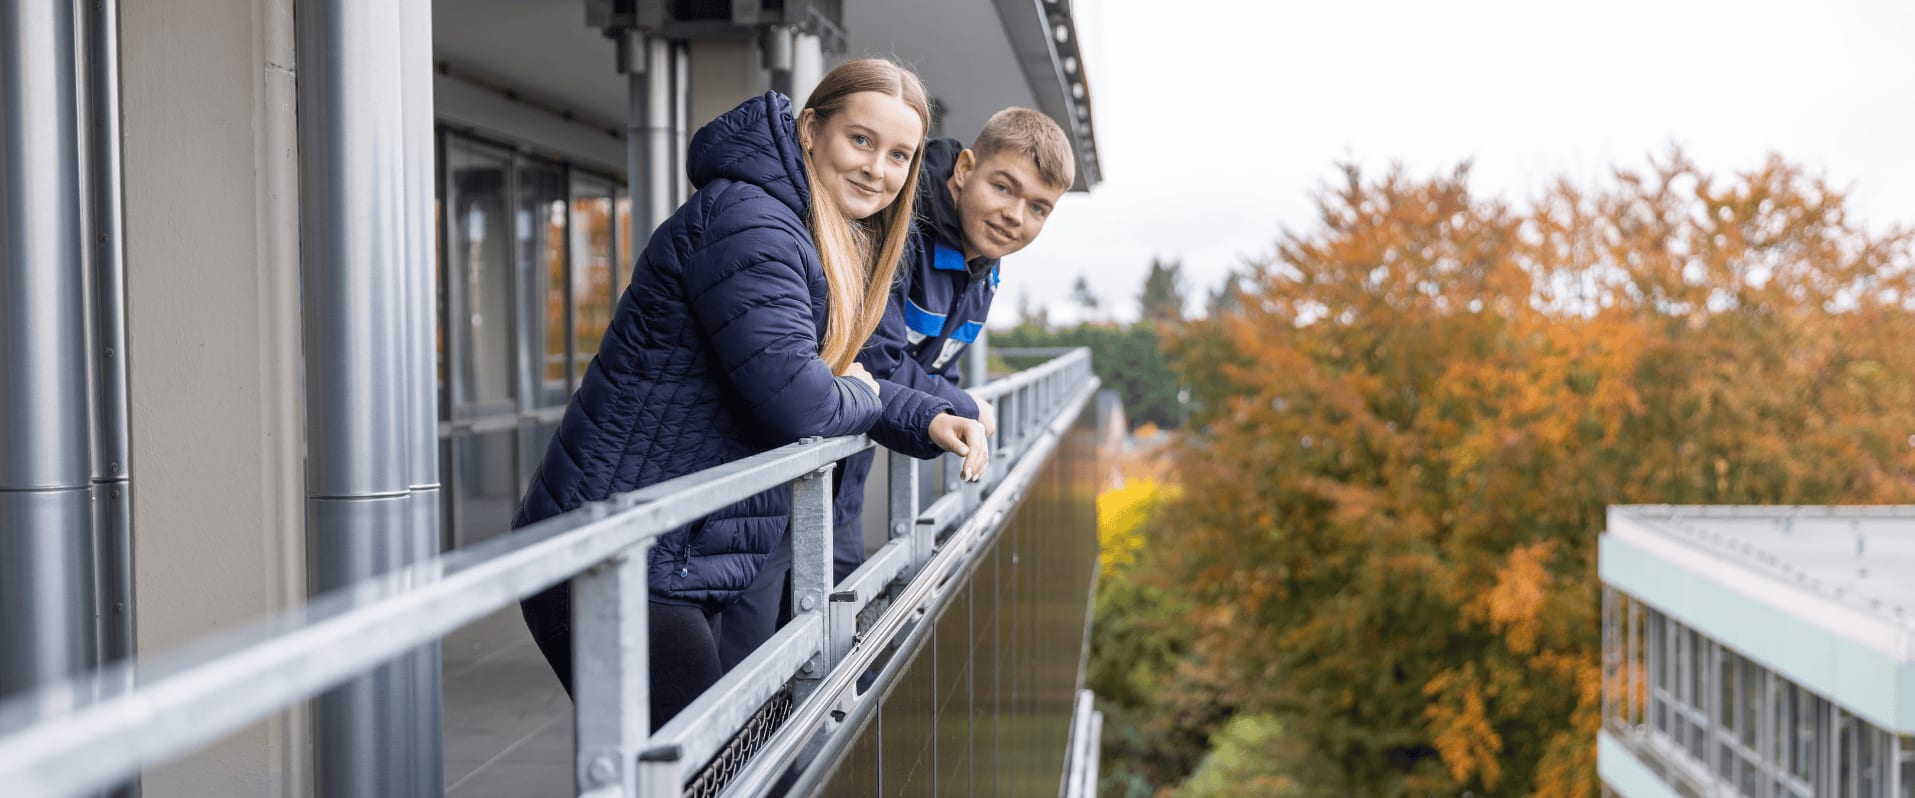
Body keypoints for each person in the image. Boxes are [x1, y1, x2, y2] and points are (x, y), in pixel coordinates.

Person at [512, 58, 990, 729]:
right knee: (706, 768)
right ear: (808, 131)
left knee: (710, 764)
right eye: (860, 140)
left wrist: (928, 416)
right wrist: (851, 392)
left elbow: (851, 373)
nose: (876, 169)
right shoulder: (750, 222)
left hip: (671, 552)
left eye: (899, 156)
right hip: (614, 554)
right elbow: (799, 397)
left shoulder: (818, 233)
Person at [718, 108, 1074, 669]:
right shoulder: (898, 229)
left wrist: (951, 404)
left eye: (1038, 208)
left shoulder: (984, 268)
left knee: (833, 624)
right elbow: (868, 358)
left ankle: (802, 756)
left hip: (844, 473)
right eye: (1004, 187)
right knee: (752, 651)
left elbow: (936, 367)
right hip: (777, 459)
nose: (1014, 216)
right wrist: (959, 407)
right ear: (964, 168)